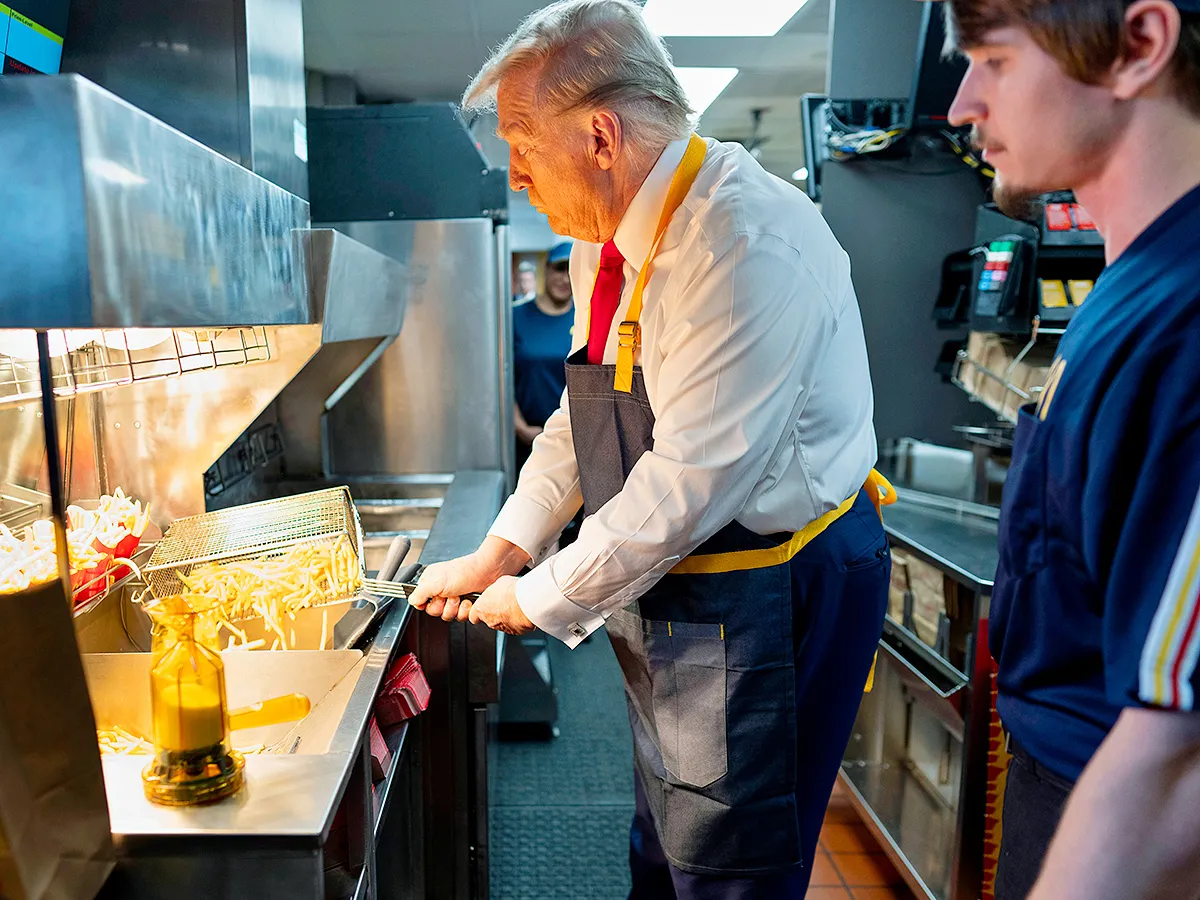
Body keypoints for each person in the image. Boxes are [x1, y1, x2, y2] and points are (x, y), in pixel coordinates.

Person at [410, 1, 893, 896]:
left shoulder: (745, 246)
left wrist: (540, 596)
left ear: (600, 134)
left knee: (729, 861)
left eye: (521, 143)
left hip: (768, 586)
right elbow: (581, 413)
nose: (514, 178)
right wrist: (503, 550)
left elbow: (689, 483)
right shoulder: (618, 238)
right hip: (678, 575)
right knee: (668, 830)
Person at [946, 1, 1200, 898]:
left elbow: (1179, 754)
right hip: (1059, 783)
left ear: (1139, 45)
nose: (961, 104)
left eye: (995, 60)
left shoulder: (1187, 317)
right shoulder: (1126, 289)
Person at [513, 241, 575, 471]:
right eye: (559, 269)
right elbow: (500, 377)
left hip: (574, 438)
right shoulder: (516, 317)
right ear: (546, 270)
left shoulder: (585, 319)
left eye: (571, 271)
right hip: (527, 436)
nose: (565, 279)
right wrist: (520, 427)